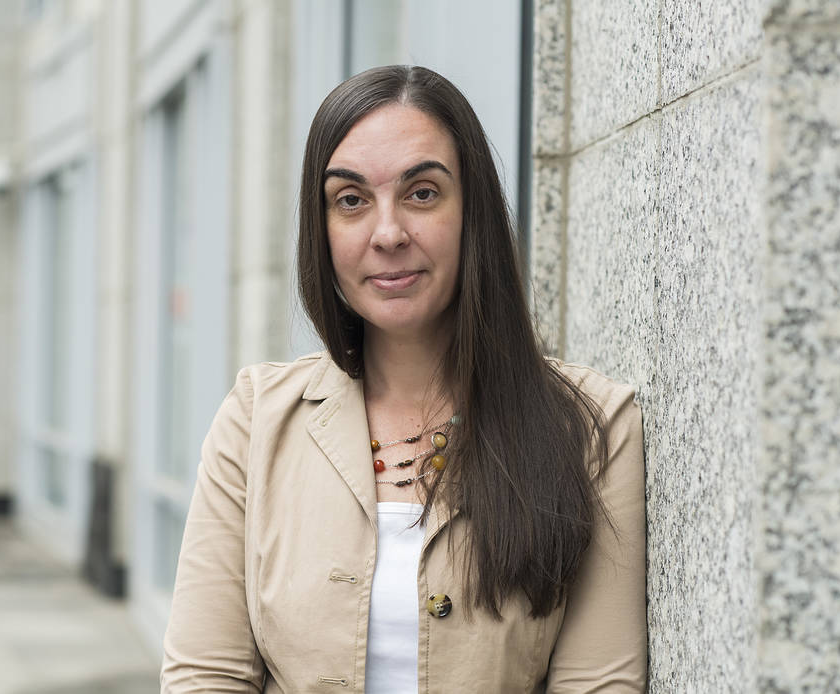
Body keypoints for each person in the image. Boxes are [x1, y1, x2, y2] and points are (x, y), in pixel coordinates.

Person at [160, 65, 645, 693]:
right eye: (351, 200)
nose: (387, 234)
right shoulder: (257, 419)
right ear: (322, 228)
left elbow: (598, 684)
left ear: (474, 213)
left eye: (422, 193)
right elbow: (206, 676)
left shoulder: (593, 427)